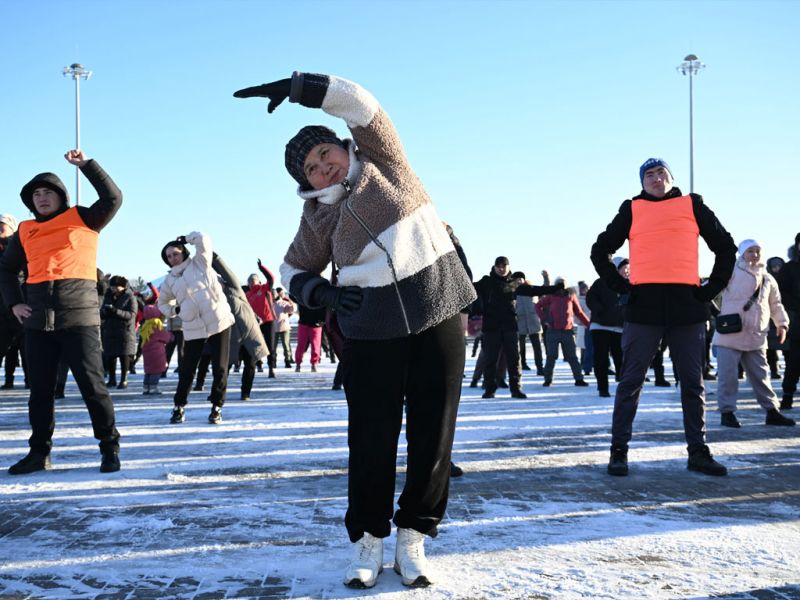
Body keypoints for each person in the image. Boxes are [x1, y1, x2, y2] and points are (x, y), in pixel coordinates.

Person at [234, 70, 476, 588]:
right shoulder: (317, 218)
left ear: (343, 147)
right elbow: (293, 270)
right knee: (371, 439)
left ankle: (413, 537)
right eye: (312, 168)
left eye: (326, 155)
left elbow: (363, 103)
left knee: (434, 435)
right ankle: (368, 541)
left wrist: (300, 88)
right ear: (306, 182)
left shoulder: (384, 163)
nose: (324, 167)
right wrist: (320, 293)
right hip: (371, 330)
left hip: (437, 311)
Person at [590, 157, 736, 477]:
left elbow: (726, 247)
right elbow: (599, 250)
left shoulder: (692, 205)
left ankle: (698, 451)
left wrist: (712, 288)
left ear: (671, 178)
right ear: (642, 182)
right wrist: (620, 286)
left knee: (692, 384)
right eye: (650, 175)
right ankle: (619, 451)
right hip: (644, 307)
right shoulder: (632, 209)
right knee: (630, 381)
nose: (657, 178)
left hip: (688, 305)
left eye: (662, 173)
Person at [0, 149, 122, 474]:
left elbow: (113, 197)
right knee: (39, 392)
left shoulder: (84, 218)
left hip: (79, 319)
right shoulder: (24, 230)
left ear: (60, 196)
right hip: (38, 322)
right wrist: (14, 303)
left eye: (47, 192)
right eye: (36, 194)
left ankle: (109, 447)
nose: (41, 198)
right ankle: (39, 453)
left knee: (92, 389)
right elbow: (6, 270)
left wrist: (87, 166)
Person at [713, 240, 793, 427]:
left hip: (756, 335)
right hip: (730, 334)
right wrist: (720, 313)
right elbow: (712, 291)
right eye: (750, 251)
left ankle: (772, 411)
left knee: (762, 376)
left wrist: (782, 324)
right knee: (728, 378)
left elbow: (776, 304)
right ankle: (727, 413)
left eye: (758, 251)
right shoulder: (730, 273)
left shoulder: (768, 279)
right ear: (742, 253)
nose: (755, 254)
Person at [158, 232, 235, 425]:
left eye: (175, 253)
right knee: (187, 369)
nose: (172, 258)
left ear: (183, 252)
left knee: (220, 367)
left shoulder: (200, 262)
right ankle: (179, 407)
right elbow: (162, 304)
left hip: (218, 320)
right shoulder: (169, 281)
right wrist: (175, 310)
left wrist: (186, 238)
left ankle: (217, 407)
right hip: (193, 326)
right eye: (168, 256)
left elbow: (203, 239)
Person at [474, 257, 561, 399]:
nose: (501, 268)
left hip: (510, 327)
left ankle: (516, 388)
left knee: (514, 359)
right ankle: (489, 388)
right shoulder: (486, 282)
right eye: (498, 266)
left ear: (508, 267)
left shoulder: (515, 284)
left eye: (504, 266)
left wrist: (554, 289)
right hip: (491, 328)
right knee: (490, 359)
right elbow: (470, 288)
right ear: (494, 267)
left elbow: (534, 290)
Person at [211, 253, 269, 401]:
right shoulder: (214, 299)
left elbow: (225, 271)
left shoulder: (235, 290)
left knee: (250, 365)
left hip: (249, 333)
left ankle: (245, 393)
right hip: (230, 336)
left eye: (218, 283)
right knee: (224, 367)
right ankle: (218, 393)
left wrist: (213, 258)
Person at [535, 278, 591, 387]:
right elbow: (537, 306)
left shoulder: (571, 296)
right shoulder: (551, 296)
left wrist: (588, 324)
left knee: (572, 357)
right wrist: (545, 319)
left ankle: (579, 379)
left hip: (567, 331)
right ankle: (548, 379)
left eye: (563, 284)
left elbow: (579, 312)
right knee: (551, 356)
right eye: (559, 284)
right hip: (552, 331)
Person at [587, 258, 627, 397]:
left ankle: (623, 385)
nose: (627, 271)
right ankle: (602, 387)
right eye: (624, 268)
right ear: (616, 268)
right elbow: (590, 298)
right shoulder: (602, 282)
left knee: (621, 358)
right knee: (601, 358)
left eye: (628, 268)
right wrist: (600, 310)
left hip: (619, 328)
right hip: (600, 326)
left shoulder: (628, 285)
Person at [0, 214, 25, 390]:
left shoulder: (20, 244)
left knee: (27, 348)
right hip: (1, 309)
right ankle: (8, 380)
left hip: (20, 304)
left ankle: (31, 381)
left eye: (2, 225)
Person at [100, 275, 137, 389]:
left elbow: (131, 314)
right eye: (112, 287)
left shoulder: (130, 297)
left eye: (117, 287)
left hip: (124, 331)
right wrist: (105, 312)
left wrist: (116, 311)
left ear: (123, 287)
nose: (114, 289)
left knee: (124, 356)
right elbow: (102, 312)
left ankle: (123, 380)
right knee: (110, 356)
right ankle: (112, 379)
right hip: (110, 330)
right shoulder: (108, 296)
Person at [778, 233, 800, 410]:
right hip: (797, 320)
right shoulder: (790, 268)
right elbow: (781, 293)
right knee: (794, 361)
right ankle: (788, 395)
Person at [246, 260, 277, 377]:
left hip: (268, 321)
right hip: (254, 323)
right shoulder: (247, 295)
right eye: (250, 281)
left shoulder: (264, 288)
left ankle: (271, 367)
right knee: (255, 346)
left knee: (270, 346)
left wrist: (262, 268)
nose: (251, 283)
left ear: (258, 281)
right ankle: (258, 364)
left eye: (253, 280)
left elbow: (271, 278)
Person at [515, 270, 548, 375]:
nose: (519, 281)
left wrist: (546, 277)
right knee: (520, 346)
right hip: (520, 321)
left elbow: (545, 287)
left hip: (533, 321)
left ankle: (540, 367)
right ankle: (522, 364)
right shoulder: (513, 292)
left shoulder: (532, 290)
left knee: (537, 346)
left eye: (520, 279)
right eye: (517, 280)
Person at [140, 305, 171, 395]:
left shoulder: (145, 325)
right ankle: (153, 388)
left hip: (147, 352)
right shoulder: (156, 324)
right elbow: (165, 337)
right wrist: (170, 335)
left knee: (149, 371)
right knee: (156, 371)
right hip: (157, 353)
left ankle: (146, 388)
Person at [273, 287, 295, 368]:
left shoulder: (283, 303)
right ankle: (273, 361)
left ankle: (287, 361)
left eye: (274, 294)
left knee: (286, 346)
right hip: (274, 328)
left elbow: (291, 310)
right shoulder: (269, 303)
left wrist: (292, 304)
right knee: (273, 347)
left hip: (284, 327)